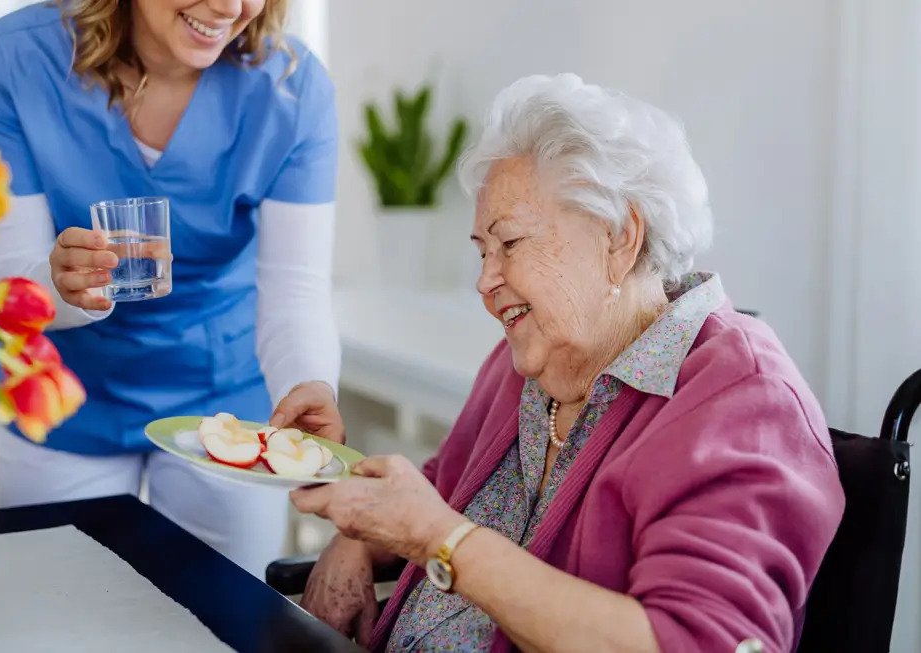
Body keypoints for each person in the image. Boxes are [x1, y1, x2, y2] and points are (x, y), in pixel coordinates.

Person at [285, 74, 846, 652]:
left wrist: (442, 540)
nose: (485, 280)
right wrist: (356, 540)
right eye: (482, 251)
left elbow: (696, 641)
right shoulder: (527, 360)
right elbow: (448, 489)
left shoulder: (745, 404)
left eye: (512, 243)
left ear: (619, 238)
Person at [0, 0, 343, 577]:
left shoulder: (292, 88)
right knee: (54, 612)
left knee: (225, 618)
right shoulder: (19, 56)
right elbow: (11, 277)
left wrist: (308, 382)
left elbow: (295, 289)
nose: (228, 7)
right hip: (65, 395)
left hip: (224, 406)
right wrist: (63, 286)